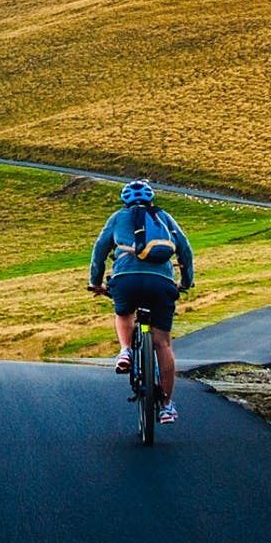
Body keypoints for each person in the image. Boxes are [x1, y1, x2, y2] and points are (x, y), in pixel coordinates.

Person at [88, 180, 194, 425]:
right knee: (163, 344)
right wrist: (186, 282)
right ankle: (167, 406)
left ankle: (125, 351)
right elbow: (185, 250)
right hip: (162, 282)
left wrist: (96, 282)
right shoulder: (164, 218)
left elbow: (100, 251)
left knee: (124, 312)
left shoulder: (118, 217)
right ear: (151, 200)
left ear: (125, 201)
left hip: (126, 279)